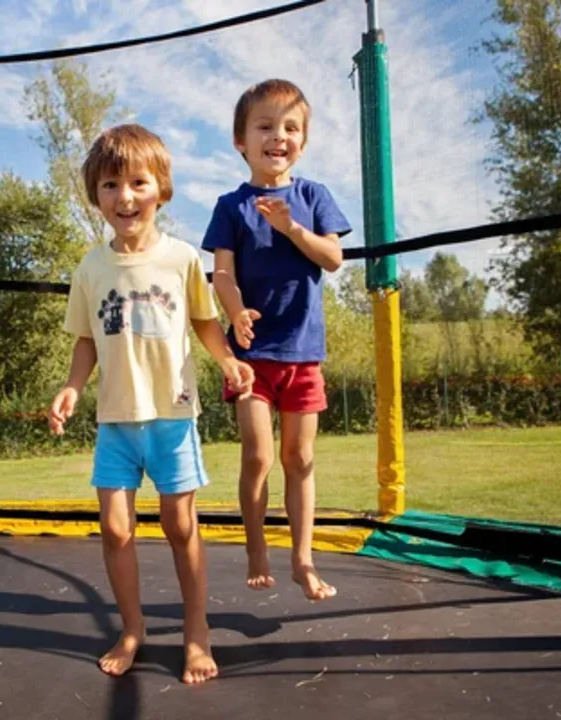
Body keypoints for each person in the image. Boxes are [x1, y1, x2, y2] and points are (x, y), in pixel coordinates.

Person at [48, 123, 253, 684]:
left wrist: (228, 361)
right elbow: (86, 339)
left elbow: (204, 322)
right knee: (116, 529)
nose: (125, 196)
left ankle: (196, 631)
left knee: (179, 525)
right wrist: (72, 387)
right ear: (97, 196)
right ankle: (132, 629)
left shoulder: (181, 258)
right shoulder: (91, 268)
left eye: (138, 182)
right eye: (110, 185)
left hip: (171, 415)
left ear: (161, 188)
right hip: (115, 420)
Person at [201, 79, 352, 601]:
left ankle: (303, 559)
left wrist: (292, 229)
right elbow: (222, 273)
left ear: (302, 141)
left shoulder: (314, 197)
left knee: (300, 458)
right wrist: (235, 310)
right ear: (240, 140)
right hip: (252, 356)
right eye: (265, 126)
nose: (278, 136)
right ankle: (257, 548)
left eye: (290, 127)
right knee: (258, 455)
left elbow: (333, 258)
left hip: (303, 354)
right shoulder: (231, 206)